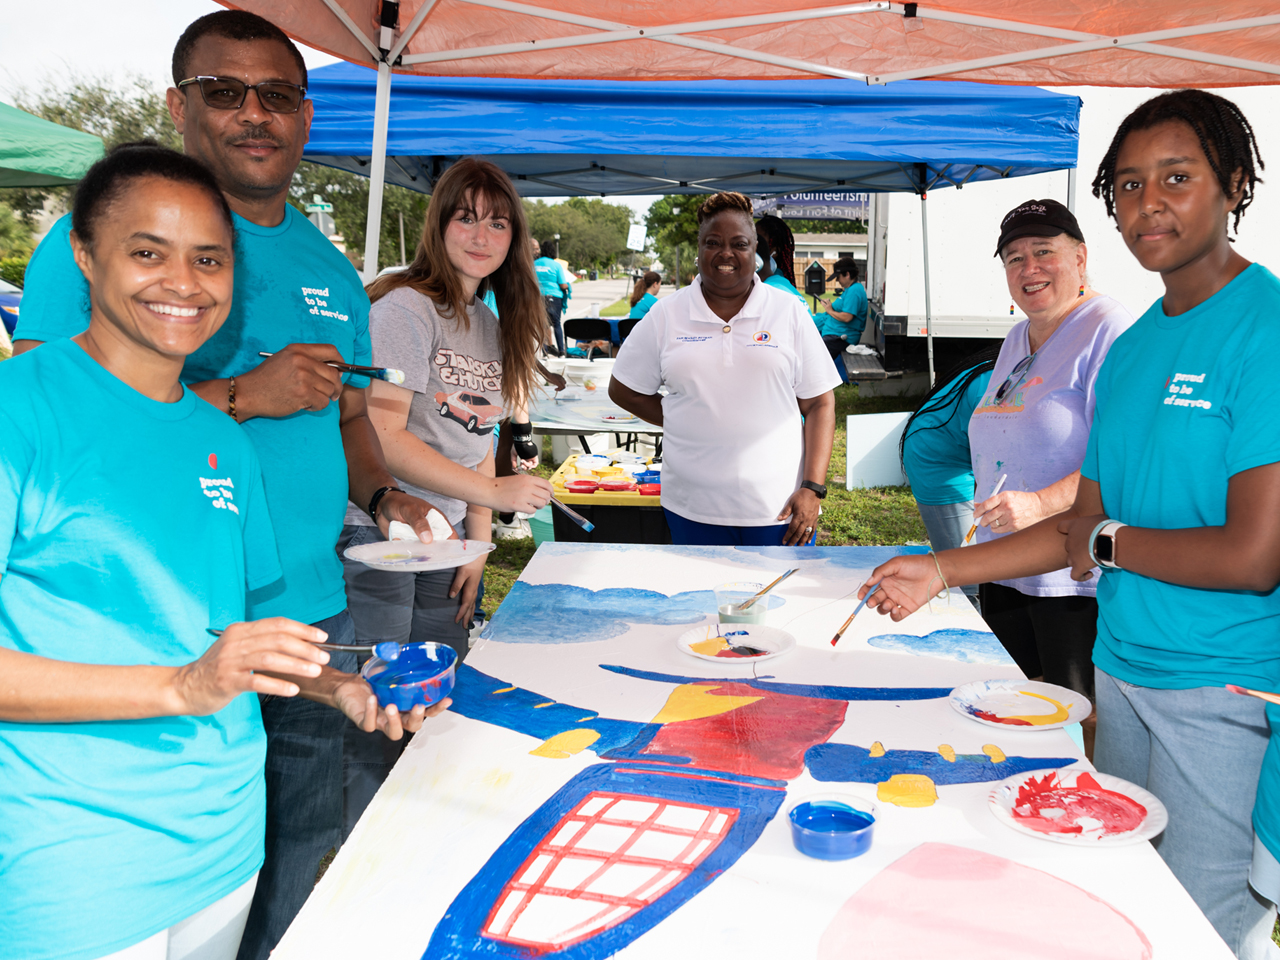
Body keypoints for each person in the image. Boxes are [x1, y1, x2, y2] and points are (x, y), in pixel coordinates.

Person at [10, 13, 446, 958]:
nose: (185, 283)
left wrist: (341, 685)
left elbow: (223, 617)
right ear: (85, 258)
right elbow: (95, 410)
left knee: (299, 866)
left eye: (208, 260)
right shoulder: (30, 409)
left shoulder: (221, 439)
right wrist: (187, 683)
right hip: (77, 849)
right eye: (147, 253)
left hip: (234, 785)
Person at [859, 89, 1278, 959]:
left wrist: (1108, 542)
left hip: (1227, 694)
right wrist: (940, 571)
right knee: (1118, 900)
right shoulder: (1135, 350)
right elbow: (1075, 525)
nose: (1147, 203)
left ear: (1235, 183)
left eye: (1176, 177)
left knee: (1200, 930)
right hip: (1123, 674)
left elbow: (1252, 555)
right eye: (1127, 186)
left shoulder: (1264, 330)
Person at [338, 159, 553, 830]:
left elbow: (479, 439)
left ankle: (424, 825)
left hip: (451, 543)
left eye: (497, 220)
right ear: (440, 223)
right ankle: (367, 840)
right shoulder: (407, 309)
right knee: (379, 703)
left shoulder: (493, 326)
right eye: (466, 216)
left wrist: (481, 539)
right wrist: (493, 491)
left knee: (438, 697)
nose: (481, 233)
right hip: (382, 535)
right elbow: (383, 434)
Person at [966, 198, 1135, 705]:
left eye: (1044, 251)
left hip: (1070, 578)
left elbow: (1123, 458)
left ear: (1080, 258)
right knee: (1007, 709)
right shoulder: (1019, 336)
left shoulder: (1109, 329)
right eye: (1014, 258)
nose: (1029, 268)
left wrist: (1040, 503)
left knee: (1068, 718)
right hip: (1004, 563)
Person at [609, 192, 839, 546]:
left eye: (740, 244)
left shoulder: (788, 311)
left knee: (777, 599)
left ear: (756, 254)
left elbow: (820, 403)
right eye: (713, 242)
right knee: (700, 599)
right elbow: (624, 388)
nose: (726, 253)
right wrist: (684, 416)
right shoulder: (667, 314)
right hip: (692, 505)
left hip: (778, 507)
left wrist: (813, 488)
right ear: (699, 250)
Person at [899, 345, 1001, 604]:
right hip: (935, 458)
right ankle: (969, 612)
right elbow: (994, 462)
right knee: (967, 574)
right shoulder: (994, 381)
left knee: (984, 555)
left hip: (959, 450)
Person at [815, 256, 868, 356]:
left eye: (838, 277)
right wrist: (830, 306)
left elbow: (847, 317)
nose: (837, 280)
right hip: (834, 334)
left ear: (847, 274)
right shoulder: (850, 289)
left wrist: (830, 310)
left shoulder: (854, 290)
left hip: (841, 338)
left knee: (812, 355)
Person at [534, 238, 571, 356]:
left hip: (538, 297)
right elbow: (562, 284)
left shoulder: (534, 264)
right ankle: (561, 350)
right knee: (556, 324)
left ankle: (545, 349)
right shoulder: (556, 265)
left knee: (543, 324)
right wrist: (568, 286)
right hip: (554, 297)